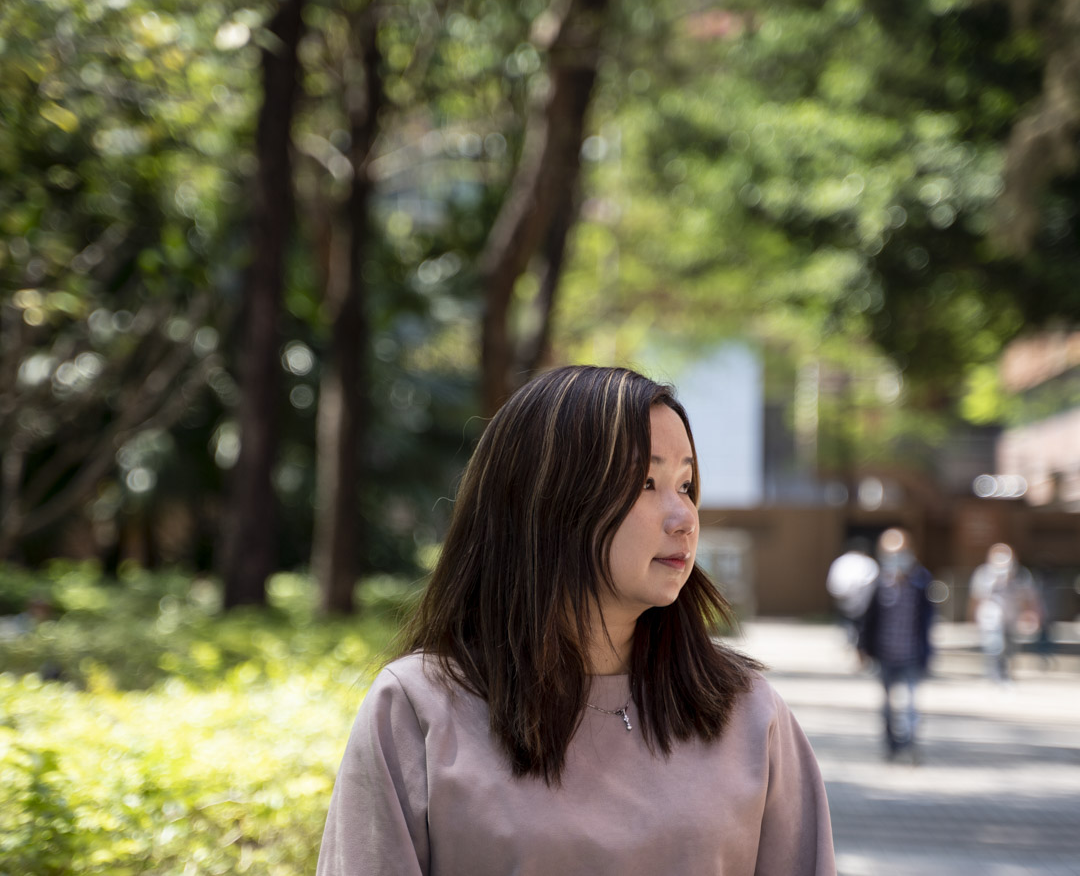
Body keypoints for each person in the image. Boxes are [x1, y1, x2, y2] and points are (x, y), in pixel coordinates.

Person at [317, 365, 836, 876]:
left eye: (686, 484)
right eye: (646, 482)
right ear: (548, 501)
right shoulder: (418, 708)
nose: (684, 518)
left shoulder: (749, 714)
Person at [857, 527, 934, 763]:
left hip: (911, 653)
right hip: (885, 654)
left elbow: (928, 620)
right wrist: (862, 648)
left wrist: (928, 653)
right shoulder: (879, 583)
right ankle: (892, 746)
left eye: (901, 552)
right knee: (888, 705)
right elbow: (867, 619)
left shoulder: (920, 583)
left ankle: (910, 744)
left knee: (910, 704)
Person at [968, 543, 1039, 682]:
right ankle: (994, 674)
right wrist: (972, 616)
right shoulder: (983, 574)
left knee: (1009, 647)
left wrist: (1029, 615)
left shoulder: (1021, 575)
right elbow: (976, 598)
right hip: (991, 618)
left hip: (1011, 617)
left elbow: (1029, 598)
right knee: (994, 645)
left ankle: (1005, 673)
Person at [825, 537, 879, 648]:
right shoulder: (867, 562)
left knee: (848, 622)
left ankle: (851, 641)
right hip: (860, 600)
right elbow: (872, 582)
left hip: (842, 597)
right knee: (857, 623)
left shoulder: (841, 560)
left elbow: (832, 582)